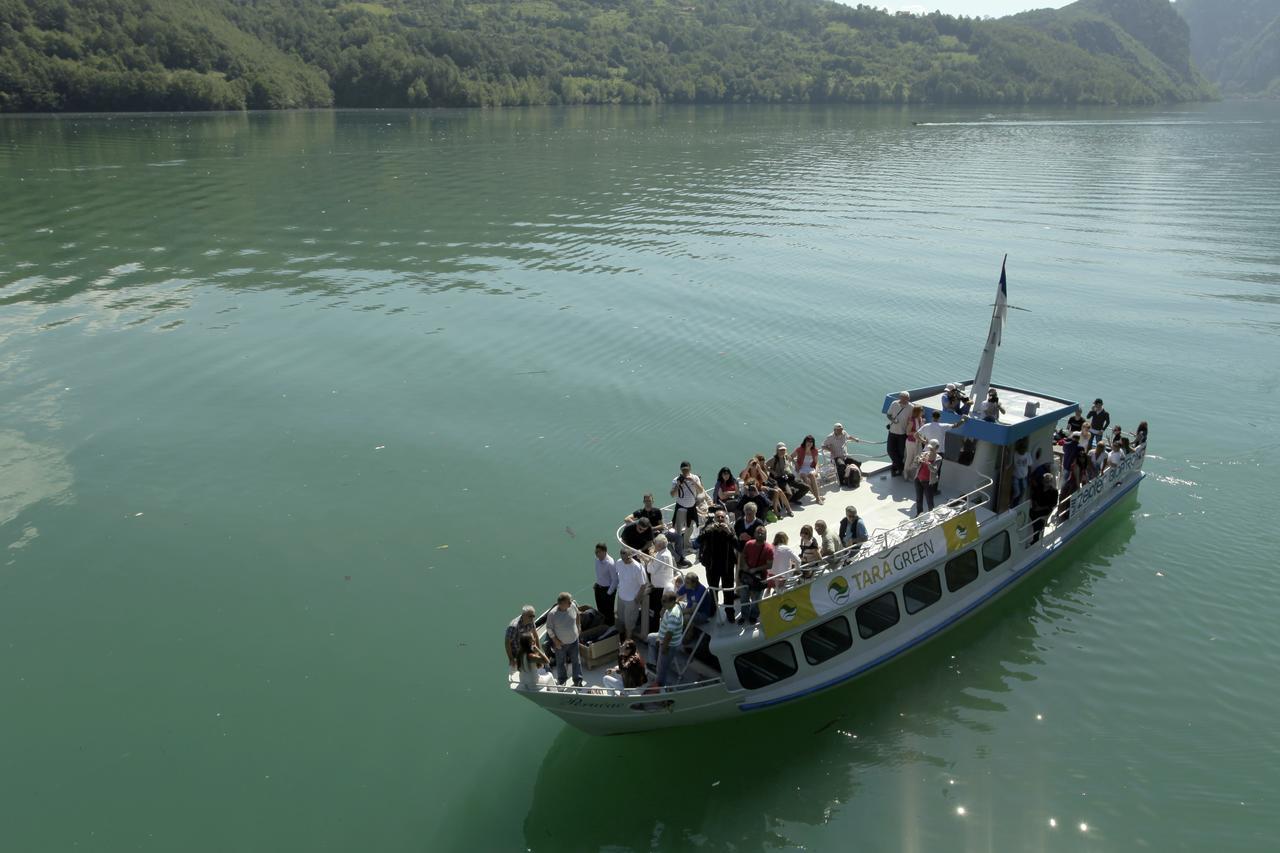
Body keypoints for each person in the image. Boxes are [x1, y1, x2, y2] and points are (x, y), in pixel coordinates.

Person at [698, 509, 738, 622]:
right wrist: (708, 530)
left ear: (726, 519)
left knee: (728, 591)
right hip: (712, 567)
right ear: (714, 519)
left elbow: (738, 546)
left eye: (722, 517)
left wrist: (729, 533)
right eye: (718, 517)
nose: (720, 520)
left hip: (727, 567)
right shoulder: (709, 529)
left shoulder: (730, 530)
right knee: (713, 590)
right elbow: (697, 542)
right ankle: (713, 609)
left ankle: (730, 612)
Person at [546, 592, 583, 687]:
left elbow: (578, 615)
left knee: (576, 661)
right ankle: (562, 680)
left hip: (574, 640)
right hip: (560, 644)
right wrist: (555, 641)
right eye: (568, 602)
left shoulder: (573, 606)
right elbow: (549, 629)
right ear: (561, 603)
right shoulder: (552, 614)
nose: (571, 603)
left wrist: (579, 626)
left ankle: (578, 680)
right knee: (560, 662)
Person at [648, 589, 684, 687]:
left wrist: (663, 646)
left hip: (669, 644)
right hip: (662, 637)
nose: (662, 603)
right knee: (650, 638)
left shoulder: (673, 615)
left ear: (672, 602)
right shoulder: (673, 606)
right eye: (662, 601)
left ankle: (660, 688)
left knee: (661, 670)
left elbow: (669, 634)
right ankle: (653, 663)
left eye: (664, 601)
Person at [669, 461, 705, 558]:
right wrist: (678, 485)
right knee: (678, 529)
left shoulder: (695, 478)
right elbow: (672, 494)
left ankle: (687, 545)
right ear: (681, 470)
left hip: (691, 508)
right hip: (681, 508)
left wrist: (693, 481)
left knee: (690, 528)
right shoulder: (676, 480)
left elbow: (701, 490)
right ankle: (678, 547)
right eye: (683, 469)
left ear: (690, 468)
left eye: (687, 469)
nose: (685, 471)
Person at [738, 525, 773, 623]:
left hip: (759, 577)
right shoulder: (748, 544)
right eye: (758, 532)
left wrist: (756, 569)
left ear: (765, 535)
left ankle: (753, 616)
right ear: (754, 534)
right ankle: (744, 616)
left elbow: (769, 565)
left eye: (762, 533)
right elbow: (743, 556)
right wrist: (744, 566)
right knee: (744, 598)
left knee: (756, 599)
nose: (760, 534)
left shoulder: (769, 548)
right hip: (747, 576)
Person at [614, 548, 648, 641]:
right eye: (622, 558)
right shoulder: (619, 562)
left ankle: (628, 641)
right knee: (621, 618)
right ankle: (621, 638)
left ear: (631, 556)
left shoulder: (638, 567)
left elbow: (643, 584)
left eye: (626, 559)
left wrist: (637, 598)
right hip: (621, 596)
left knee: (629, 623)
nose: (624, 561)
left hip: (631, 600)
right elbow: (618, 576)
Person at [646, 534, 678, 631]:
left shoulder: (662, 556)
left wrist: (647, 562)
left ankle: (654, 630)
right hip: (660, 587)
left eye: (655, 544)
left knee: (655, 611)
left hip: (660, 589)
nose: (653, 545)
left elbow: (650, 570)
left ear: (659, 545)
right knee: (655, 611)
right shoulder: (664, 553)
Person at [822, 423, 863, 488]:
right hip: (836, 457)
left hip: (844, 456)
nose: (840, 431)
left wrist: (855, 439)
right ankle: (842, 481)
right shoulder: (830, 437)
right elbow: (823, 446)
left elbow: (848, 437)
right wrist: (830, 450)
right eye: (838, 430)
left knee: (858, 463)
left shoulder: (844, 433)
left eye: (841, 429)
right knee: (841, 465)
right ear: (834, 430)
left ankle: (856, 476)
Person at [767, 442, 804, 512]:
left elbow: (791, 459)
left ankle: (791, 501)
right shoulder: (773, 459)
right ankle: (782, 505)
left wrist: (795, 464)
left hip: (785, 477)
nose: (782, 451)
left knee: (803, 487)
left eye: (784, 450)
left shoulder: (786, 457)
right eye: (781, 450)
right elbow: (765, 466)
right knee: (789, 493)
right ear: (777, 450)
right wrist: (772, 472)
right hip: (777, 479)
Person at [886, 391, 912, 476]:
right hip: (892, 432)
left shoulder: (911, 407)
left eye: (905, 398)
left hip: (903, 433)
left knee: (901, 453)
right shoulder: (894, 403)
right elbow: (888, 414)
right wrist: (893, 419)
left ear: (908, 398)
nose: (902, 400)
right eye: (901, 398)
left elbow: (912, 419)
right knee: (890, 450)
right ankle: (901, 468)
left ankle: (895, 469)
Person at [505, 605, 538, 669]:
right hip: (517, 652)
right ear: (523, 615)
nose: (532, 618)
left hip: (527, 649)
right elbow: (507, 643)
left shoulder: (531, 621)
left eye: (533, 616)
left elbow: (535, 635)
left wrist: (538, 650)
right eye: (530, 616)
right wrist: (511, 659)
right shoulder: (513, 626)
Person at [592, 543, 617, 626]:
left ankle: (610, 627)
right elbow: (599, 574)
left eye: (598, 552)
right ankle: (602, 625)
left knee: (608, 611)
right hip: (599, 588)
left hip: (607, 590)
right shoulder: (597, 560)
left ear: (604, 551)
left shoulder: (610, 563)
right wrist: (597, 584)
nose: (596, 553)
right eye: (596, 552)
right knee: (600, 609)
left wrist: (608, 593)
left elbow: (615, 580)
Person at [793, 435, 824, 504]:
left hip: (810, 467)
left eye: (811, 441)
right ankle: (817, 497)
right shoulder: (800, 449)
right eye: (808, 441)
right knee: (804, 477)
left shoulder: (814, 450)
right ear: (805, 442)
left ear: (813, 443)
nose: (809, 443)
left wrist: (816, 471)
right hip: (801, 468)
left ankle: (817, 497)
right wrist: (796, 464)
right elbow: (791, 457)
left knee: (811, 475)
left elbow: (816, 462)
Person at [913, 441, 942, 515]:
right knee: (919, 499)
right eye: (929, 447)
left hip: (928, 482)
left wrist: (928, 463)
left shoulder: (938, 458)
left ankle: (931, 515)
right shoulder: (924, 454)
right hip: (918, 479)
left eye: (932, 448)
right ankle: (919, 514)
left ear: (936, 448)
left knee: (929, 500)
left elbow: (935, 470)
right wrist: (918, 461)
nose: (930, 449)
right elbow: (915, 465)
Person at [1029, 473, 1057, 542]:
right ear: (1043, 480)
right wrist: (1035, 505)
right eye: (1045, 480)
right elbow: (1034, 497)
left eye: (1048, 480)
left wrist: (1040, 508)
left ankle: (1036, 539)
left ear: (1051, 481)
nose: (1046, 482)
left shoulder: (1054, 491)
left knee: (1037, 521)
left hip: (1045, 510)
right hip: (1036, 508)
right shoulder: (1039, 487)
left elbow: (1053, 504)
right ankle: (1038, 528)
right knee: (1031, 513)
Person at [903, 405, 925, 481]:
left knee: (918, 458)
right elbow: (907, 432)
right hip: (911, 442)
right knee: (909, 458)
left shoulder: (921, 420)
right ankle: (906, 473)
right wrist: (916, 432)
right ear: (918, 412)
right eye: (922, 411)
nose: (923, 412)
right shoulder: (912, 421)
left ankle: (911, 473)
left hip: (918, 442)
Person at [1011, 438, 1032, 506]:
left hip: (1024, 477)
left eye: (1024, 448)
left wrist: (1029, 477)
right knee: (1017, 492)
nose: (1023, 450)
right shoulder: (1014, 454)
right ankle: (1013, 504)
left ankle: (1017, 504)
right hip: (1016, 477)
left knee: (1023, 491)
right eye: (1022, 448)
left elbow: (1029, 466)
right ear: (1019, 448)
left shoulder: (1027, 454)